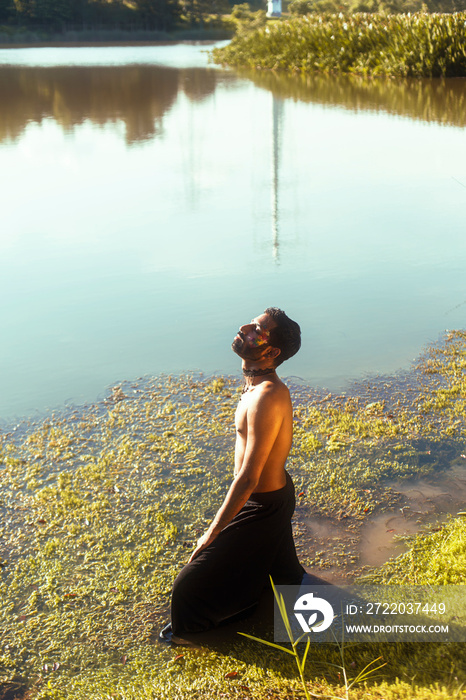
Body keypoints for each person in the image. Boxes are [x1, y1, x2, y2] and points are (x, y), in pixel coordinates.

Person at [160, 307, 304, 643]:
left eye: (257, 329)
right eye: (251, 322)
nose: (244, 328)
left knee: (187, 594)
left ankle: (233, 629)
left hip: (262, 505)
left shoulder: (267, 396)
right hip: (271, 499)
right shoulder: (257, 385)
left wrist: (211, 532)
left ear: (270, 352)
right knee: (281, 578)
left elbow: (248, 478)